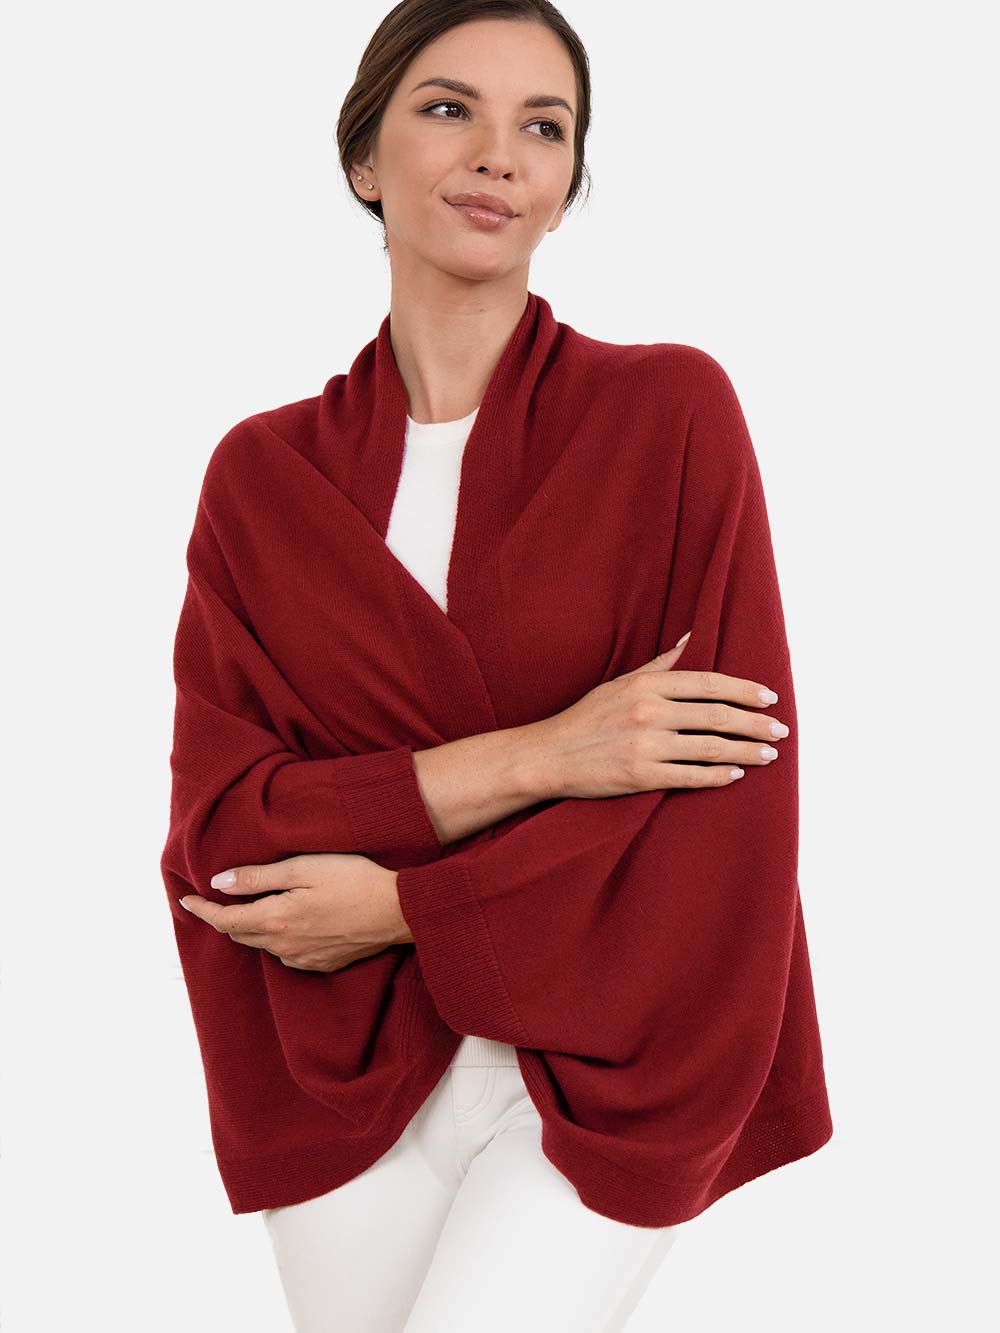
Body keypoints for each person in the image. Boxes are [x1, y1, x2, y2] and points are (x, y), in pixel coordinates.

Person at [164, 2, 827, 1330]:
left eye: (544, 126)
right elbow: (226, 838)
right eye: (449, 108)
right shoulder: (264, 478)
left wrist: (405, 906)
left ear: (569, 184)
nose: (499, 155)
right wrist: (548, 755)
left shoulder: (670, 415)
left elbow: (724, 803)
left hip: (620, 1046)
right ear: (364, 159)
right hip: (342, 1064)